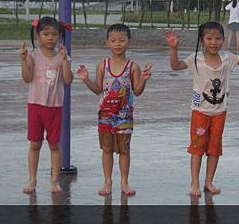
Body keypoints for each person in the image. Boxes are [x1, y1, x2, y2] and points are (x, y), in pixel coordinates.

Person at [166, 22, 239, 197]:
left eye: (218, 38)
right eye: (209, 38)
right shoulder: (195, 59)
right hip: (200, 112)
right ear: (202, 40)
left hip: (219, 113)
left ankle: (209, 181)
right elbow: (175, 66)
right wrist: (173, 48)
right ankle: (195, 182)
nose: (214, 42)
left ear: (223, 39)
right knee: (197, 148)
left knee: (214, 148)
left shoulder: (227, 58)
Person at [76, 24, 152, 196]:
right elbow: (98, 90)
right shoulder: (102, 65)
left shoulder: (133, 67)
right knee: (107, 149)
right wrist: (86, 80)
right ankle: (107, 181)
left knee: (125, 148)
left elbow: (137, 91)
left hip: (124, 115)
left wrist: (144, 79)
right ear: (107, 43)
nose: (118, 44)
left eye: (122, 40)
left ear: (128, 42)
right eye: (113, 40)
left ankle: (124, 182)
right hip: (106, 115)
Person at [19, 17, 73, 194]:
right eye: (46, 34)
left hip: (54, 107)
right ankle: (32, 180)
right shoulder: (33, 55)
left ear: (60, 36)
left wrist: (65, 61)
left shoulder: (62, 57)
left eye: (54, 34)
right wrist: (23, 60)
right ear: (38, 35)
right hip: (35, 105)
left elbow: (67, 80)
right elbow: (27, 78)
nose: (50, 37)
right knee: (35, 144)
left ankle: (54, 181)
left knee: (54, 145)